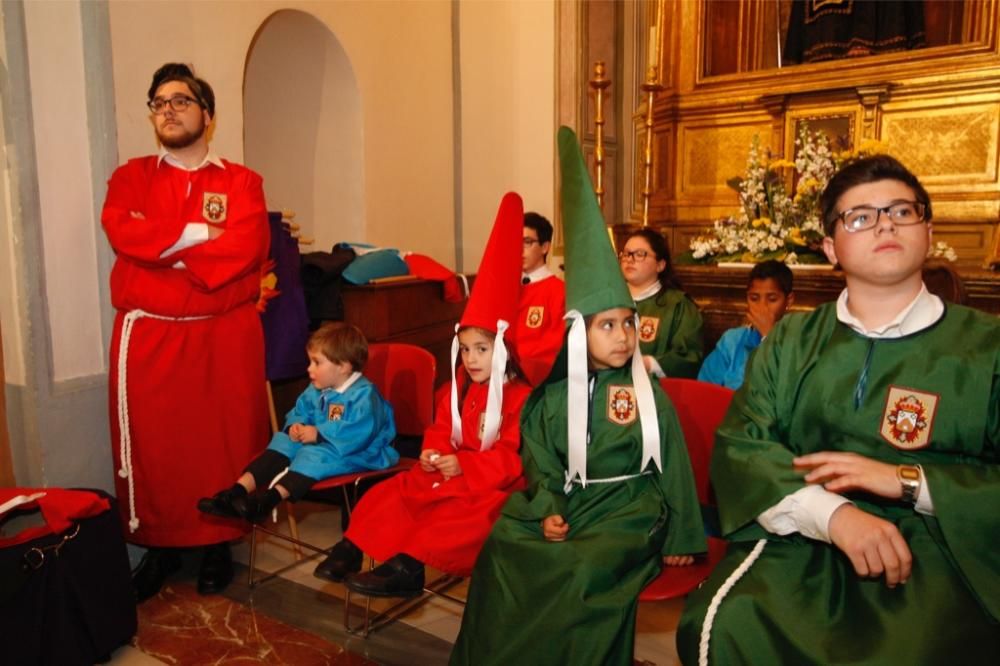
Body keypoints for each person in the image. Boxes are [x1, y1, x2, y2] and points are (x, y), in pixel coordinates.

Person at [677, 155, 1000, 664]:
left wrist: (911, 482)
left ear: (928, 229)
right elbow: (742, 442)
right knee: (726, 625)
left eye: (901, 210)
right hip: (806, 537)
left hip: (944, 554)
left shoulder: (989, 348)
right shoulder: (792, 340)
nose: (885, 223)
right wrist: (835, 516)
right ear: (831, 247)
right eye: (860, 216)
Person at [450, 128, 705, 666]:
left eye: (628, 325)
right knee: (505, 549)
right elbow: (539, 461)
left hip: (631, 509)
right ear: (577, 334)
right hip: (573, 500)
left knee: (583, 570)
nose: (622, 337)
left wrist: (683, 531)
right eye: (607, 326)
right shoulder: (552, 396)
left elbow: (675, 463)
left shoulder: (644, 393)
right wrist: (547, 508)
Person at [101, 63, 270, 601]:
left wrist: (165, 253)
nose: (168, 109)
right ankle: (162, 545)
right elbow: (122, 229)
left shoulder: (242, 182)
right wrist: (198, 233)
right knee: (158, 449)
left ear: (208, 115)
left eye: (181, 99)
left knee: (222, 445)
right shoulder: (131, 177)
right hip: (150, 338)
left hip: (223, 337)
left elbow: (246, 248)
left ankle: (218, 543)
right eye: (158, 102)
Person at [313, 193, 532, 597]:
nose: (471, 359)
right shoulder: (454, 389)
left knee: (463, 515)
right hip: (449, 469)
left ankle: (408, 567)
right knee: (392, 492)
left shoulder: (522, 397)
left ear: (502, 350)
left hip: (492, 486)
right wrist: (434, 454)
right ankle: (352, 548)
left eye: (481, 350)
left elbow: (512, 457)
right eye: (465, 350)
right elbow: (440, 429)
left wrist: (463, 469)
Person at [197, 322, 398, 522]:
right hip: (323, 442)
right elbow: (300, 410)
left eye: (316, 363)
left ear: (343, 366)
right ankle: (236, 492)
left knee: (316, 454)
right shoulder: (318, 388)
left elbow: (359, 432)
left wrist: (318, 434)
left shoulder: (364, 395)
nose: (309, 369)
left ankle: (267, 501)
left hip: (361, 453)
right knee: (283, 441)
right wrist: (297, 426)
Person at [619, 228, 704, 378]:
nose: (629, 259)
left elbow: (690, 357)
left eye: (639, 254)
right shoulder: (609, 301)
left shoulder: (678, 305)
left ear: (660, 265)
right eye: (626, 254)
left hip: (657, 391)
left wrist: (649, 364)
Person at [697, 260, 794, 389]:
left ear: (789, 300)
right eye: (754, 298)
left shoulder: (799, 341)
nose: (762, 307)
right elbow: (704, 388)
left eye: (772, 299)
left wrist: (768, 336)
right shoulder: (732, 340)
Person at [514, 212, 566, 385]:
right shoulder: (507, 288)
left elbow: (555, 348)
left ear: (545, 247)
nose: (518, 249)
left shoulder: (559, 291)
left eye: (527, 242)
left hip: (532, 380)